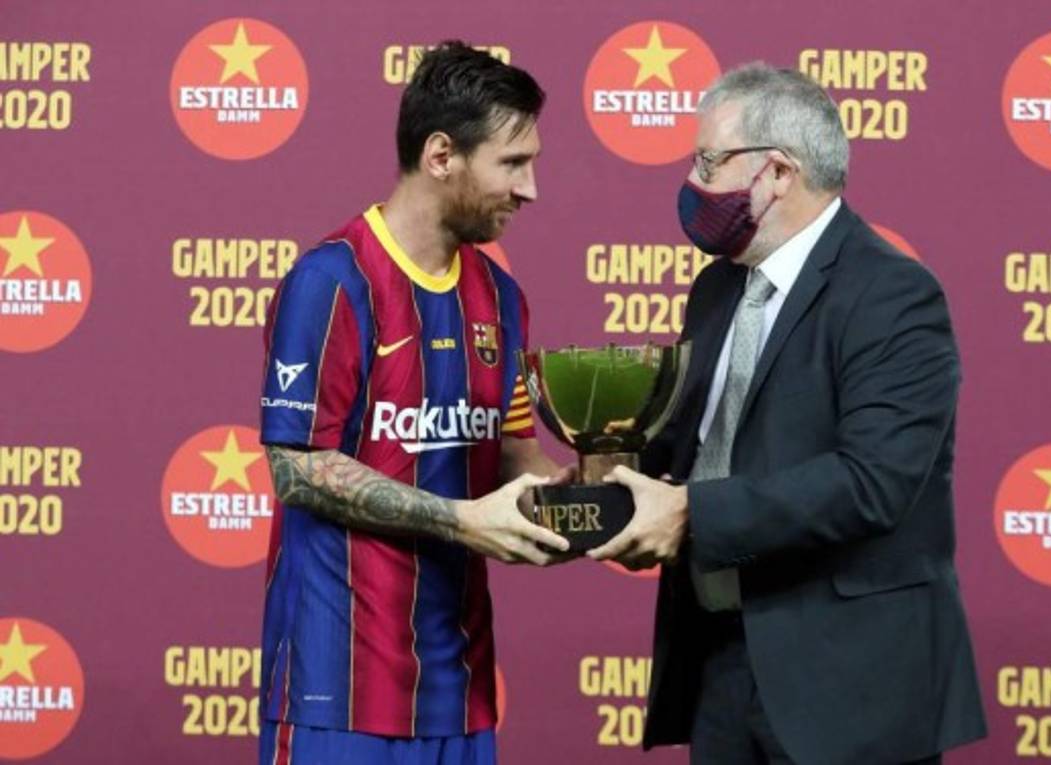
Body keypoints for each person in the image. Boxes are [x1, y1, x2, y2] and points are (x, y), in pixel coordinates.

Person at [589, 63, 987, 764]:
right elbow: (693, 440)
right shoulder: (716, 289)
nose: (694, 184)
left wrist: (689, 514)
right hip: (721, 663)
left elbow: (873, 482)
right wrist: (608, 477)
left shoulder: (893, 294)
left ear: (776, 172)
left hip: (850, 686)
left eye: (708, 161)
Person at [256, 42, 570, 765]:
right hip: (335, 691)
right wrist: (462, 521)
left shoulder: (501, 297)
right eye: (513, 163)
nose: (531, 190)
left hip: (460, 692)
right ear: (440, 156)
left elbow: (513, 459)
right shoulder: (331, 280)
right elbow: (297, 469)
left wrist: (589, 493)